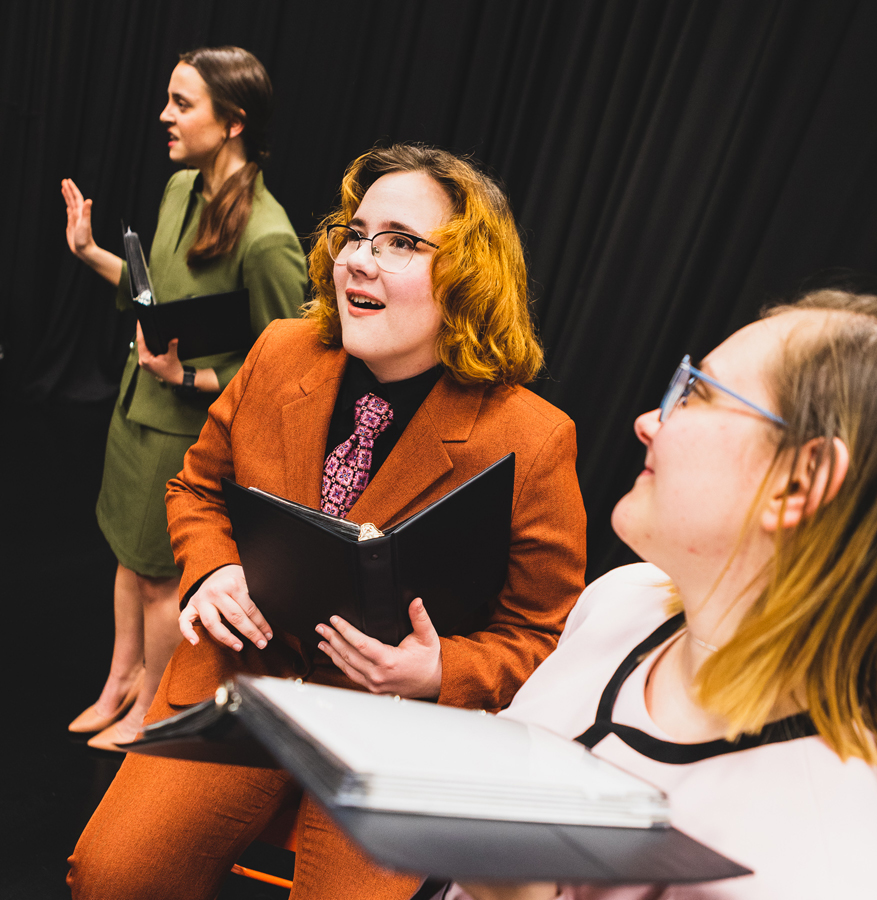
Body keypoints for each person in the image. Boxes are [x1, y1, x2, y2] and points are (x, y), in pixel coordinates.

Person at [67, 143, 588, 900]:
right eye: (355, 232)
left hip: (398, 737)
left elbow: (541, 635)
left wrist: (439, 671)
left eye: (401, 242)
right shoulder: (281, 351)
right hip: (241, 684)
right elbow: (197, 489)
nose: (357, 260)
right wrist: (214, 570)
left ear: (470, 276)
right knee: (113, 877)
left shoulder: (533, 439)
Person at [450, 290, 877, 900]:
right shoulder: (622, 602)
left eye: (698, 393)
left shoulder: (830, 861)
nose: (649, 421)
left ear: (800, 481)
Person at [61, 46, 307, 751]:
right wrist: (90, 254)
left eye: (182, 103)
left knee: (160, 583)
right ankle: (120, 684)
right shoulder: (180, 192)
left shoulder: (267, 239)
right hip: (134, 414)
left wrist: (191, 381)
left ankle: (151, 713)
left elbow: (285, 372)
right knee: (127, 560)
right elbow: (153, 302)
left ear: (232, 122)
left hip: (183, 434)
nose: (165, 116)